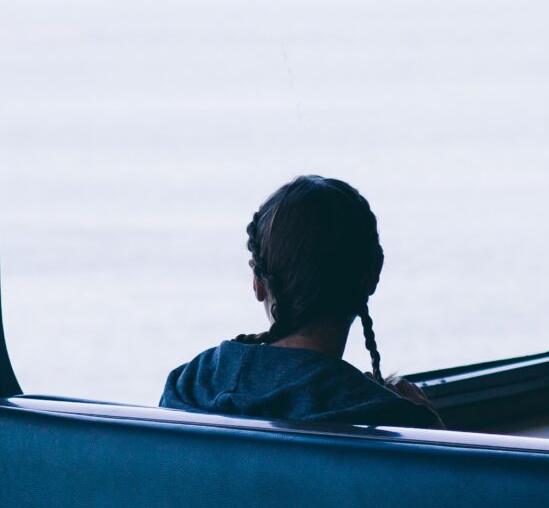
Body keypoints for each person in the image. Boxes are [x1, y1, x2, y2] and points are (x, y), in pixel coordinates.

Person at [162, 175, 441, 426]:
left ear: (258, 283)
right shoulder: (391, 418)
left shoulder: (189, 384)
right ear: (372, 275)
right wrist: (425, 421)